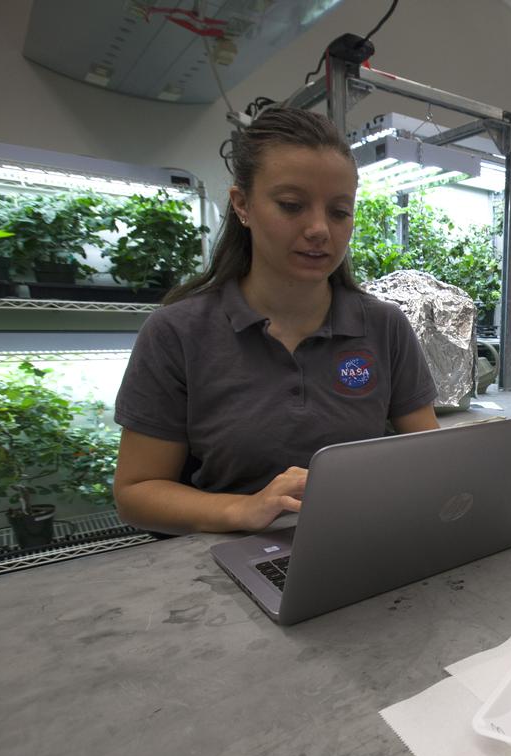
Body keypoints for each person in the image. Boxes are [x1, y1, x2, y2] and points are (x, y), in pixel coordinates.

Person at [113, 107, 439, 535]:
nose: (320, 229)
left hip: (361, 542)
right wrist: (243, 509)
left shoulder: (384, 326)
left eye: (339, 211)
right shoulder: (177, 333)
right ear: (242, 205)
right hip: (226, 564)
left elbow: (432, 457)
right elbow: (136, 492)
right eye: (292, 205)